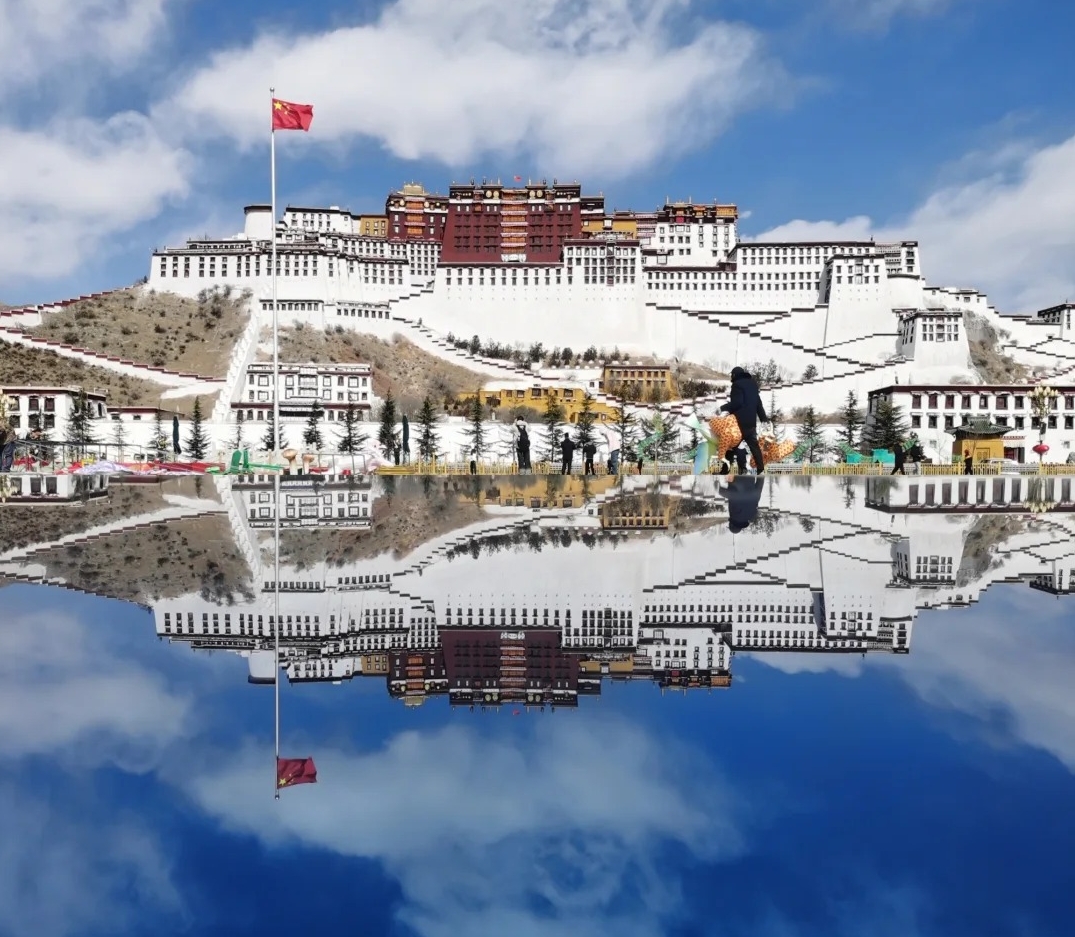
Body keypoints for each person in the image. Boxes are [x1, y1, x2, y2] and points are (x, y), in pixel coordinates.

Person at [720, 367, 768, 474]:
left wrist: (723, 408)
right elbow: (758, 404)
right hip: (751, 423)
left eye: (732, 375)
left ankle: (725, 470)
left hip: (739, 422)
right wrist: (763, 418)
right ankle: (761, 469)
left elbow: (738, 403)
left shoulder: (737, 385)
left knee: (730, 445)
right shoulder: (753, 385)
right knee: (754, 447)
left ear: (735, 375)